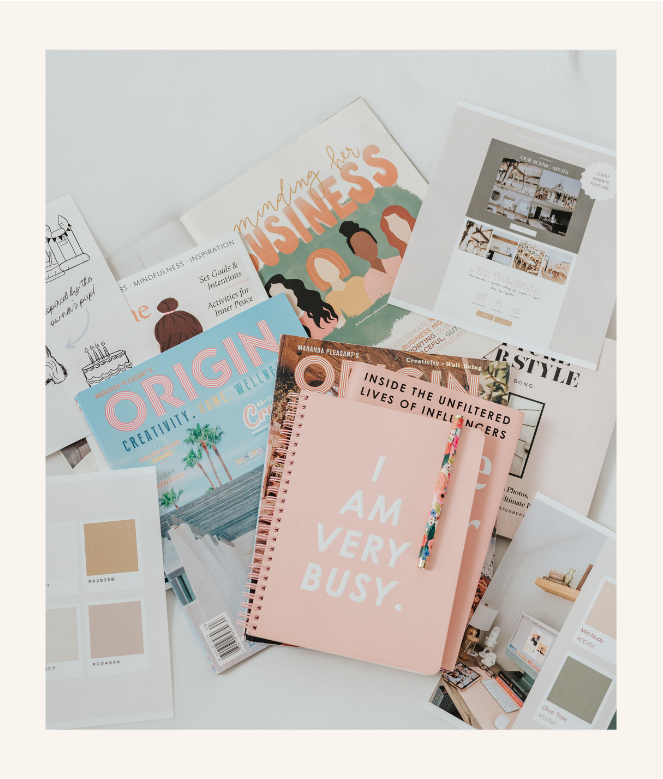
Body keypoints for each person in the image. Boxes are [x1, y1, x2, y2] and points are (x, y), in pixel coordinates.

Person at [339, 220, 401, 303]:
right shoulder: (368, 281)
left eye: (367, 242)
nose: (366, 249)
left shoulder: (398, 260)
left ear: (375, 241)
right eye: (359, 247)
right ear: (356, 253)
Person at [305, 248, 371, 324]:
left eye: (328, 266)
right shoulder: (330, 299)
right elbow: (343, 322)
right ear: (317, 276)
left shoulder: (357, 280)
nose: (328, 271)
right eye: (321, 270)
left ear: (336, 263)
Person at [264, 274, 338, 339]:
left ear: (292, 289)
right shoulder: (286, 328)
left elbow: (338, 324)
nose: (284, 299)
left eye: (284, 292)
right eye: (277, 298)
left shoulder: (320, 308)